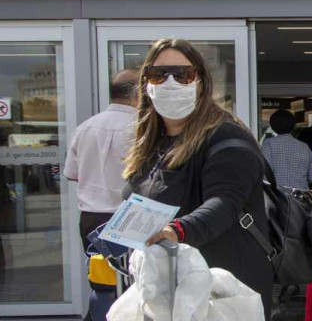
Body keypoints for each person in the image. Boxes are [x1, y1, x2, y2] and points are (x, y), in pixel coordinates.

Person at [122, 38, 273, 318]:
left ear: (201, 81)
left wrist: (175, 231)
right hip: (168, 291)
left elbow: (224, 202)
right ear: (146, 83)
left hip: (223, 291)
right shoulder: (153, 144)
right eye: (159, 74)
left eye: (183, 74)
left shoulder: (227, 137)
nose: (170, 83)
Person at [63, 69, 138, 251]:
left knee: (99, 276)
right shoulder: (144, 130)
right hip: (131, 218)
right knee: (139, 277)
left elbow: (71, 174)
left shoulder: (84, 128)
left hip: (92, 218)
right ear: (139, 94)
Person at [262, 109, 312, 190]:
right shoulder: (304, 147)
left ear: (273, 125)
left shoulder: (268, 144)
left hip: (278, 197)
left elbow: (265, 174)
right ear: (293, 125)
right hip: (301, 198)